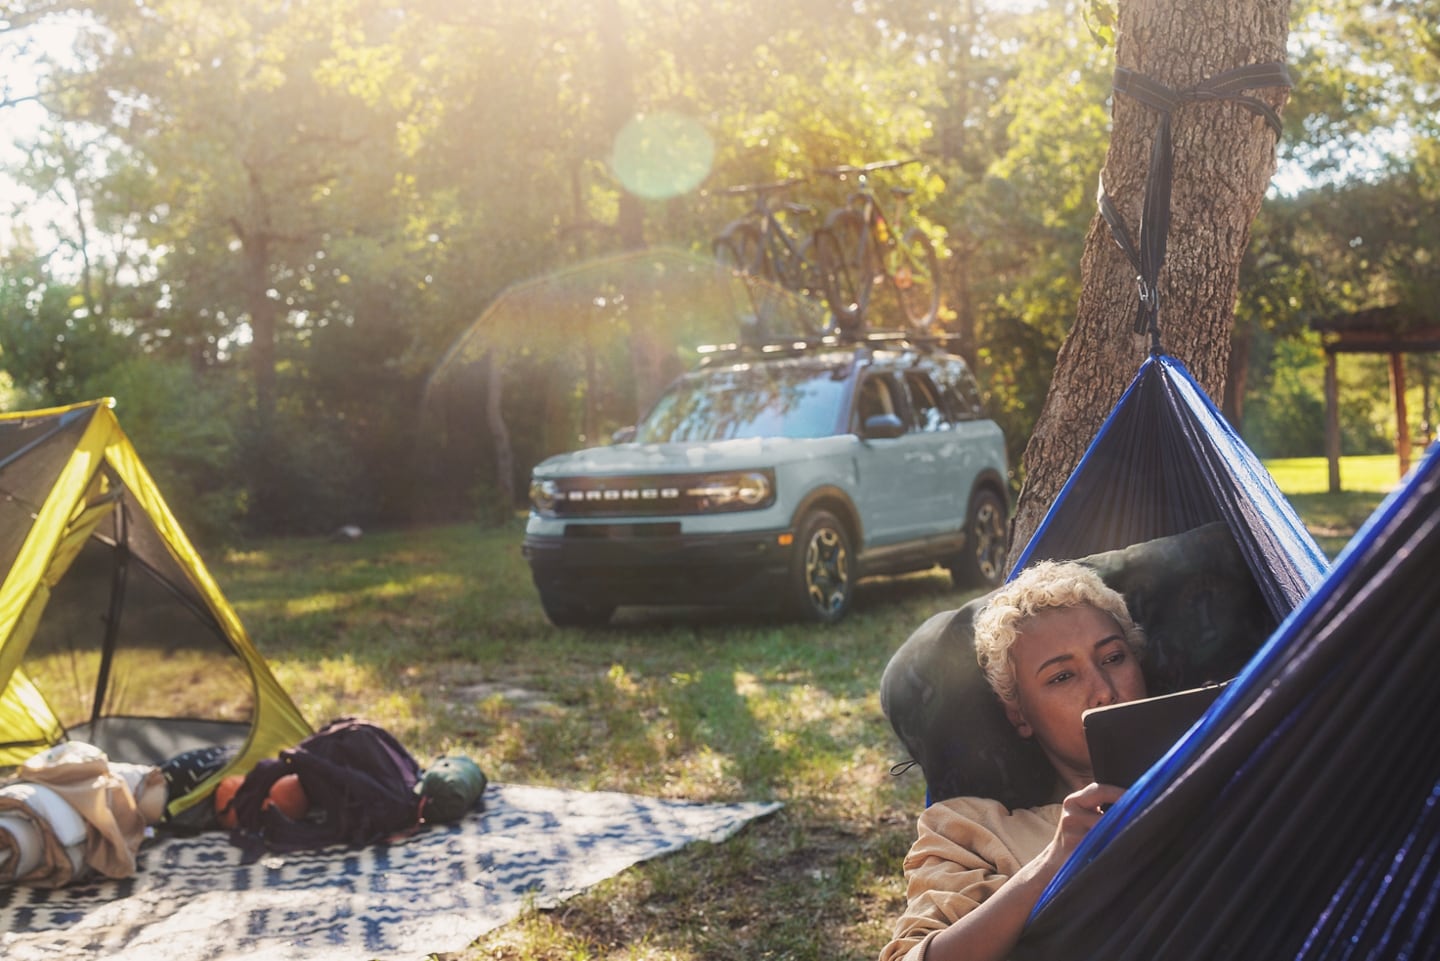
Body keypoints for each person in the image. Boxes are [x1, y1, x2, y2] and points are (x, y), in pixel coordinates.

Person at [880, 560, 1149, 961]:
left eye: (1112, 658)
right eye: (1062, 677)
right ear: (1019, 714)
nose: (1104, 693)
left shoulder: (1233, 752)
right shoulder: (973, 830)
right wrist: (1053, 863)